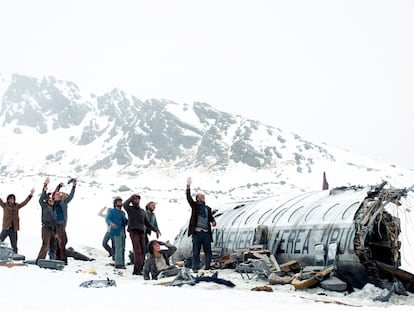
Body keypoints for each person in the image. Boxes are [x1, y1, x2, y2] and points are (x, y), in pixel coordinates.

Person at [123, 194, 161, 275]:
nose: (137, 201)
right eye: (135, 200)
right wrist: (132, 197)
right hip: (134, 231)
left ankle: (141, 268)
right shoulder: (130, 209)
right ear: (132, 201)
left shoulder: (142, 211)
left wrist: (156, 230)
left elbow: (147, 223)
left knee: (143, 251)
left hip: (142, 232)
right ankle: (136, 270)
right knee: (137, 251)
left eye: (138, 199)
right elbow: (125, 204)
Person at [186, 177, 216, 272]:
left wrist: (213, 221)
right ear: (197, 198)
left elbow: (210, 217)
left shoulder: (207, 209)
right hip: (197, 232)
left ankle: (207, 267)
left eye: (203, 196)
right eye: (201, 196)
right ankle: (195, 268)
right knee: (196, 251)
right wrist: (188, 186)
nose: (203, 198)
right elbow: (188, 198)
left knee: (208, 251)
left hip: (206, 232)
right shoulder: (195, 206)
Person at [0, 189, 35, 254]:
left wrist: (30, 195)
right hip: (6, 228)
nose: (12, 200)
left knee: (14, 245)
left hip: (14, 229)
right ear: (8, 199)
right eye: (10, 198)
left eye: (13, 198)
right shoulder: (5, 205)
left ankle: (15, 256)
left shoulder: (17, 206)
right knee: (0, 241)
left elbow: (24, 203)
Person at [51, 179, 77, 264]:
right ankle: (62, 260)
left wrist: (74, 186)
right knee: (61, 242)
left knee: (63, 241)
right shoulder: (52, 203)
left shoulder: (63, 202)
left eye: (59, 194)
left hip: (61, 224)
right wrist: (58, 187)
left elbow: (71, 196)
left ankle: (59, 258)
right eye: (57, 194)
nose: (58, 195)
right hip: (55, 224)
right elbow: (55, 193)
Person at [36, 177, 57, 264]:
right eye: (50, 200)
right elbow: (41, 199)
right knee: (46, 245)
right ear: (47, 201)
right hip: (46, 228)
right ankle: (40, 260)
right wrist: (45, 186)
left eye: (52, 200)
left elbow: (56, 195)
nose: (51, 201)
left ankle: (52, 260)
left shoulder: (55, 208)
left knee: (53, 246)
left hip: (53, 229)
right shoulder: (45, 206)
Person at [106, 196, 128, 269]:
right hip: (116, 231)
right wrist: (111, 224)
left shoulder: (123, 213)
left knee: (123, 247)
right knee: (118, 247)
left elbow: (125, 221)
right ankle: (118, 264)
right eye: (118, 202)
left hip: (122, 230)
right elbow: (107, 219)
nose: (120, 203)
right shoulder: (112, 211)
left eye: (121, 202)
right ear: (115, 203)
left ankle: (122, 263)